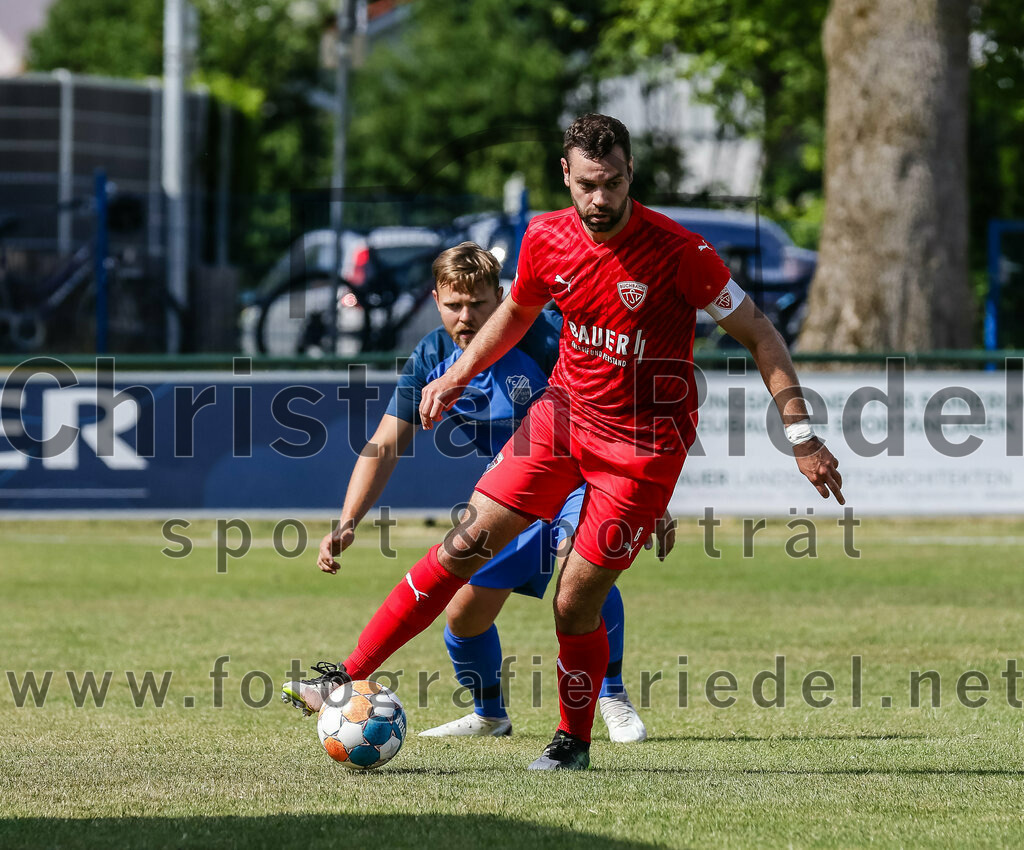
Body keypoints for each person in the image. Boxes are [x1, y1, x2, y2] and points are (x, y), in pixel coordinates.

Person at [283, 114, 844, 771]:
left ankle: (573, 741)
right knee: (462, 545)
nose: (598, 199)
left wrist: (802, 436)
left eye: (610, 183)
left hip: (643, 448)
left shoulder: (681, 253)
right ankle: (343, 676)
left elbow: (761, 335)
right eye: (586, 185)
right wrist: (456, 376)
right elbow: (517, 313)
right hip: (564, 419)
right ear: (566, 177)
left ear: (630, 174)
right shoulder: (546, 236)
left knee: (576, 598)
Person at [283, 241, 669, 743]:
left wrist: (648, 497)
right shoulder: (431, 358)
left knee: (578, 564)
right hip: (511, 496)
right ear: (437, 301)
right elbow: (383, 445)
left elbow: (622, 396)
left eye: (479, 304)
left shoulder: (543, 337)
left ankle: (611, 695)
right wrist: (349, 520)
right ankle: (491, 715)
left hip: (581, 479)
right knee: (463, 614)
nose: (466, 317)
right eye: (453, 304)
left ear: (503, 298)